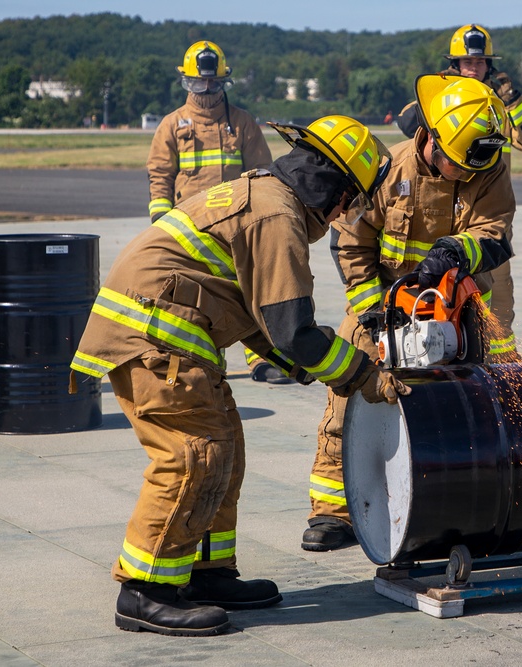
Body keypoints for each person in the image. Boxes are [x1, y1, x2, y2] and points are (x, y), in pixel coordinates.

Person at [70, 116, 409, 636]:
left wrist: (300, 362)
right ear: (330, 185)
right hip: (157, 340)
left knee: (225, 451)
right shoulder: (277, 217)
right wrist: (364, 374)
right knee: (194, 457)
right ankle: (144, 591)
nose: (347, 214)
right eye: (351, 200)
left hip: (176, 336)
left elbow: (259, 317)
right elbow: (293, 331)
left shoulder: (265, 195)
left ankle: (206, 574)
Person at [302, 75, 514, 551]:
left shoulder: (488, 166)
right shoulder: (385, 171)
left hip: (463, 306)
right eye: (458, 164)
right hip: (381, 303)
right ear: (432, 139)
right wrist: (371, 308)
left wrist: (455, 253)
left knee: (494, 401)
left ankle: (485, 500)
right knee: (347, 399)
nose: (467, 173)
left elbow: (495, 236)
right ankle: (333, 512)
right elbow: (350, 242)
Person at [395, 24, 522, 362]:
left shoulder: (498, 106)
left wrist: (513, 100)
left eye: (479, 63)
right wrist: (444, 95)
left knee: (497, 293)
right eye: (466, 63)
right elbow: (406, 123)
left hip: (486, 206)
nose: (473, 68)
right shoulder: (444, 97)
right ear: (454, 64)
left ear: (489, 65)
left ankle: (500, 362)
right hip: (436, 201)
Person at [145, 40, 287, 385]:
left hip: (235, 226)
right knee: (193, 298)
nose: (206, 89)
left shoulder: (242, 124)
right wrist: (160, 221)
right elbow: (160, 175)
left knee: (251, 291)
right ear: (186, 82)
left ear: (223, 82)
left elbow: (262, 173)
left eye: (212, 82)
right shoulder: (172, 125)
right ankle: (204, 362)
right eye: (198, 83)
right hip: (188, 230)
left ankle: (262, 360)